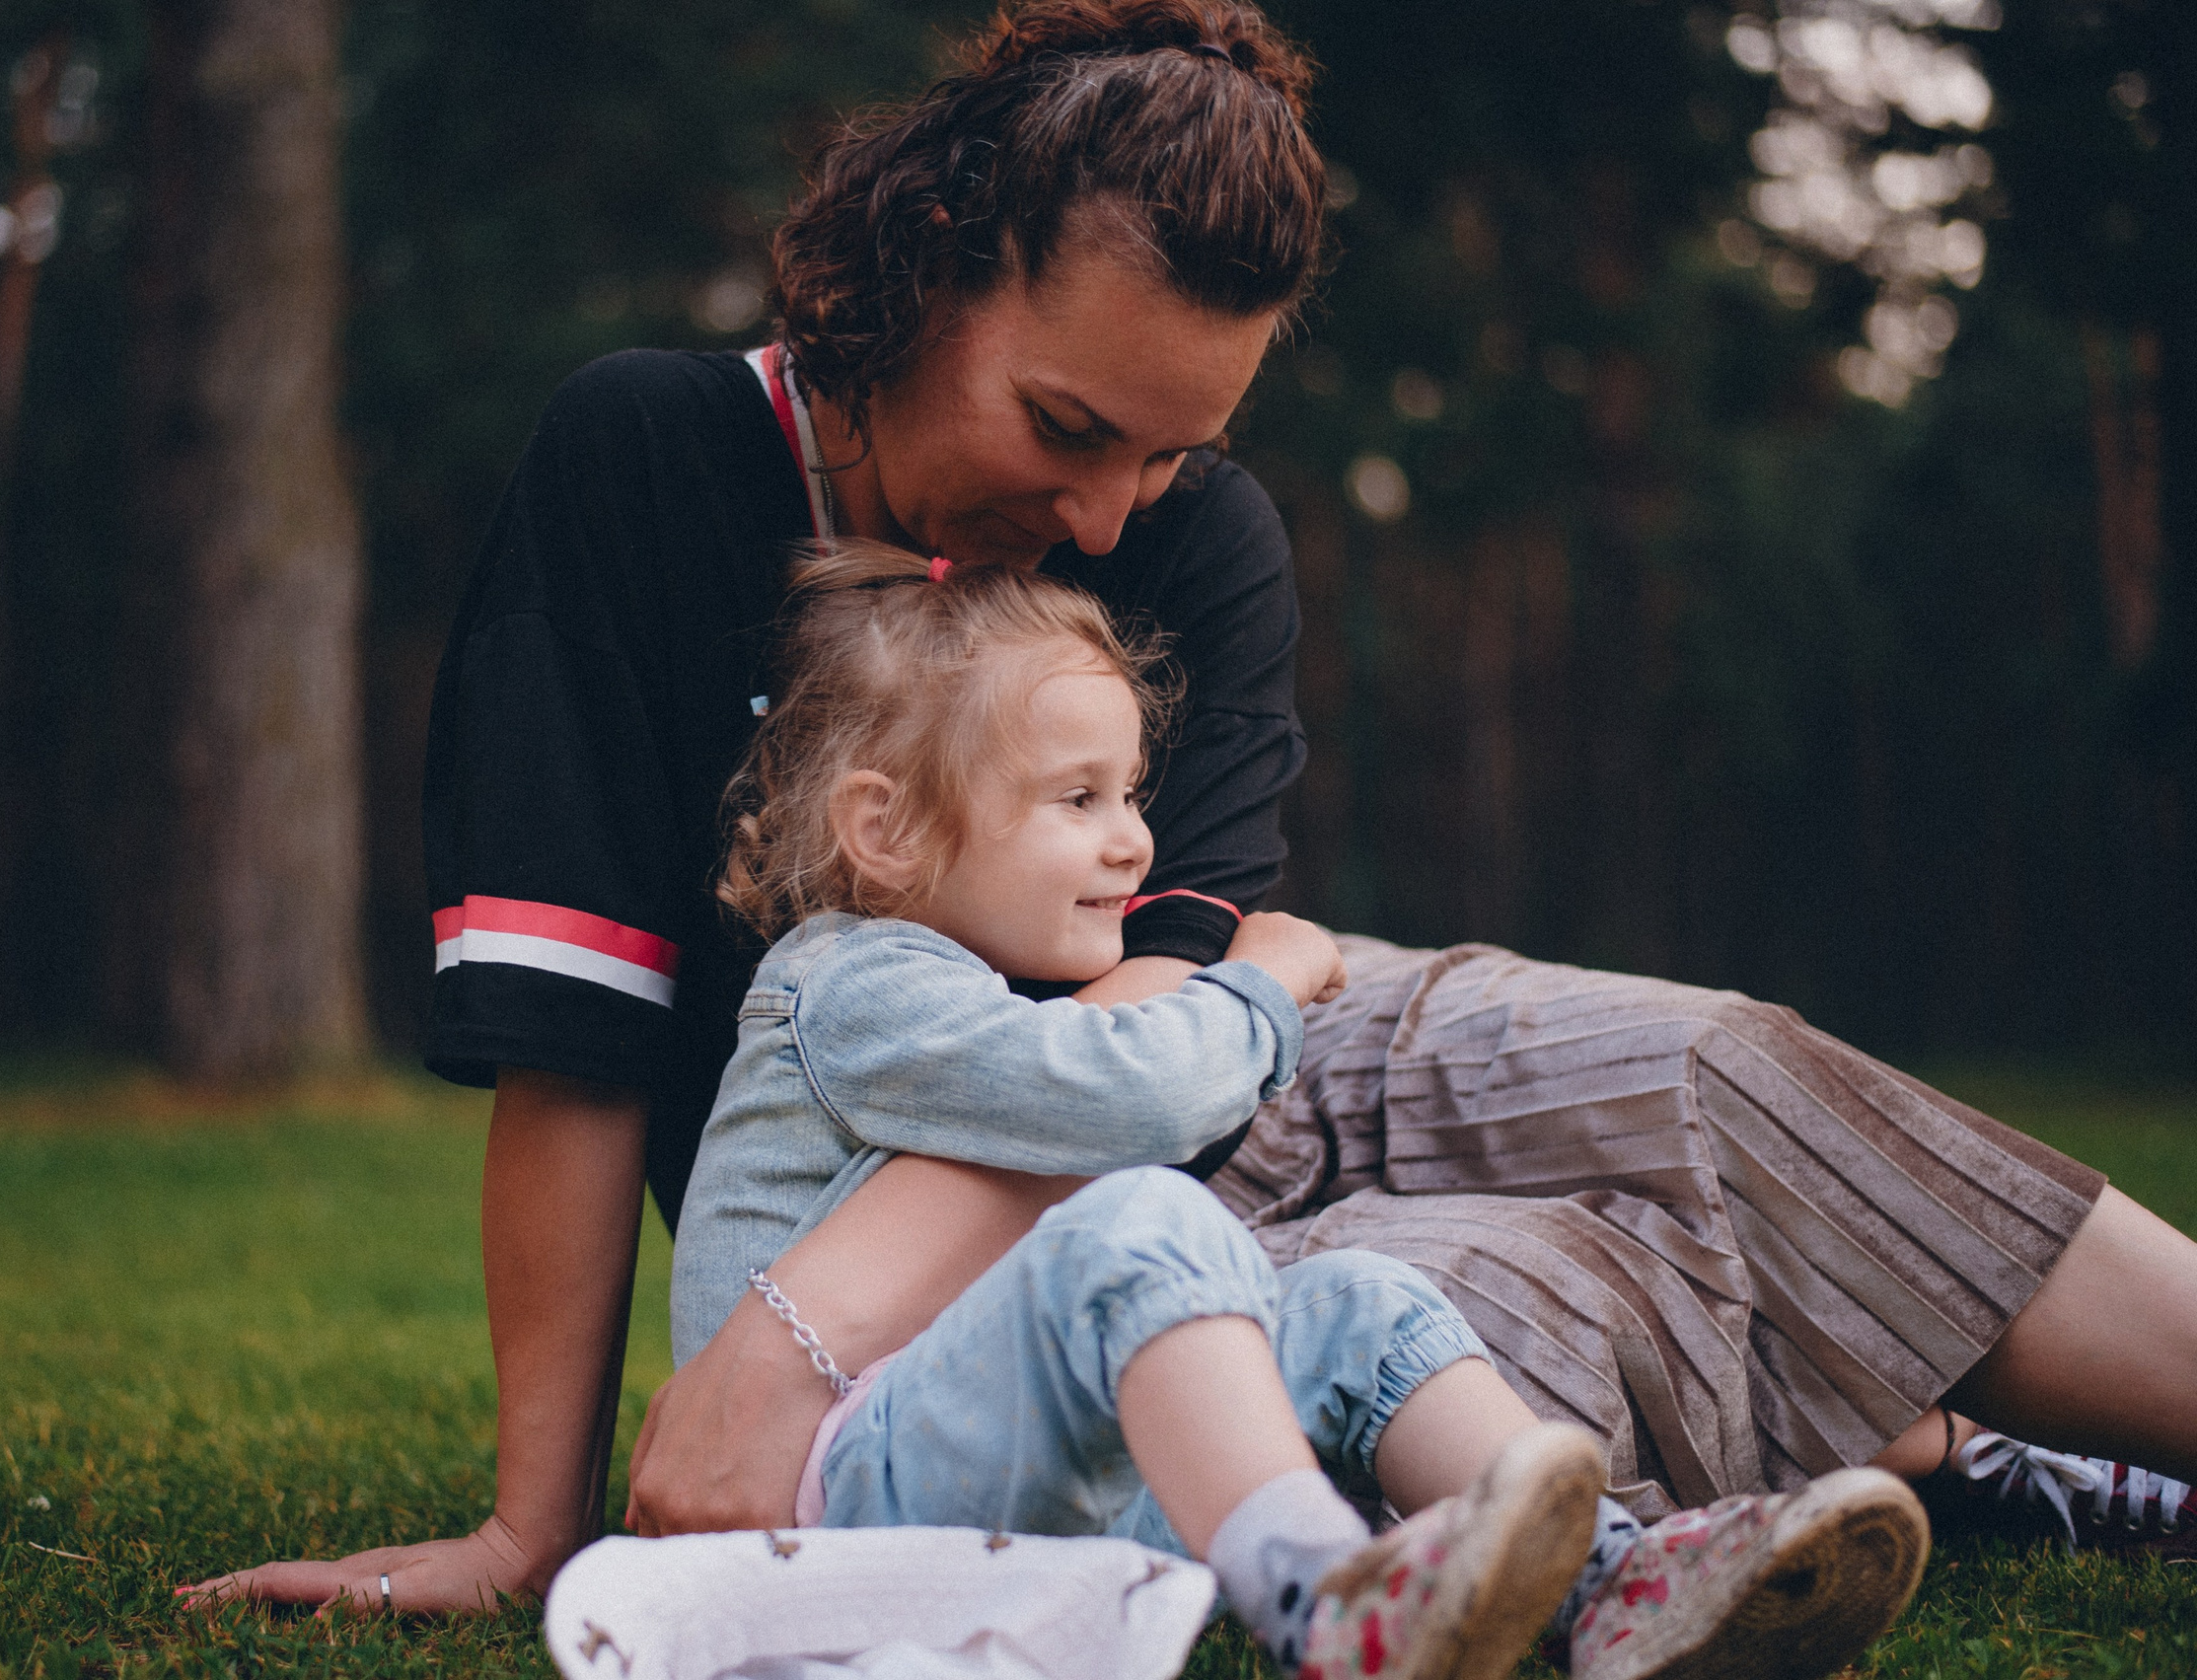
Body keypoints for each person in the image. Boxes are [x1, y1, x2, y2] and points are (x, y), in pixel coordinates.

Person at [181, 0, 2197, 1627]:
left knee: (1707, 1073)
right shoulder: (642, 457)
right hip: (986, 1208)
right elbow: (578, 1031)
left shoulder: (1205, 536)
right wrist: (577, 1496)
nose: (1103, 520)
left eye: (1170, 454)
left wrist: (1264, 980)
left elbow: (1177, 1008)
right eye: (1065, 428)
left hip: (1231, 1041)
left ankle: (1972, 1436)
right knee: (1476, 1300)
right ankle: (1943, 1456)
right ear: (925, 264)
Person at [652, 538, 1928, 1680]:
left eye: (1133, 793)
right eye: (1079, 798)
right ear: (884, 830)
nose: (1136, 842)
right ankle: (1328, 1600)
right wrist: (1253, 987)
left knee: (1352, 1305)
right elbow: (1126, 1095)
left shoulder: (947, 1000)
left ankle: (1620, 1581)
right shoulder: (850, 984)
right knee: (1140, 1225)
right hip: (834, 1497)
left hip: (984, 1483)